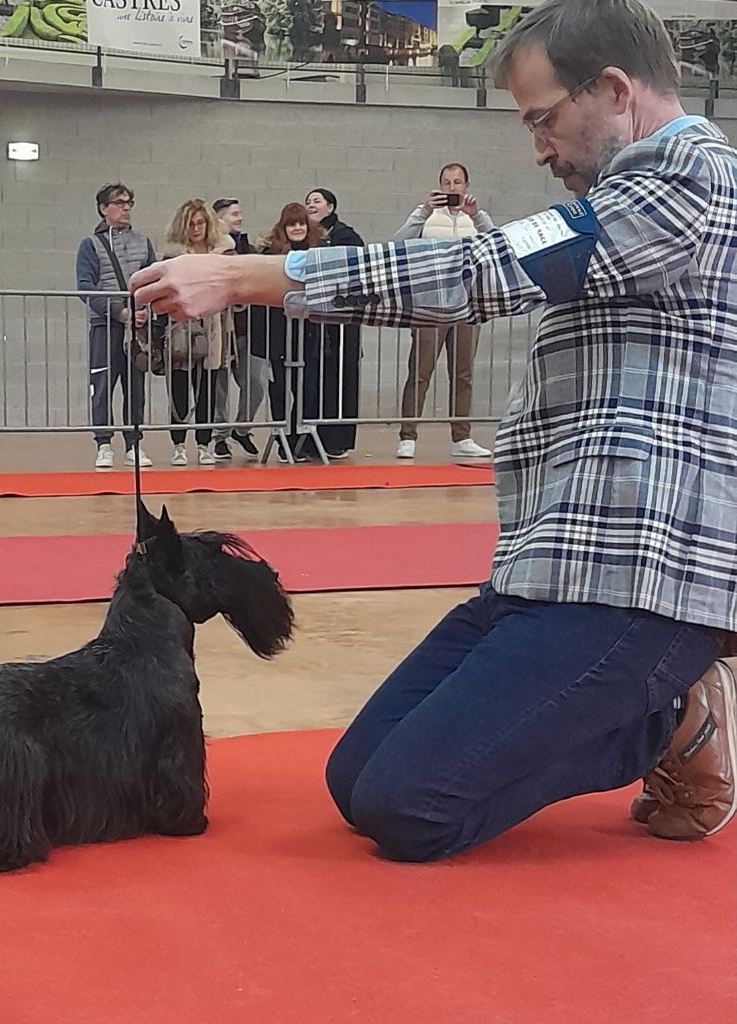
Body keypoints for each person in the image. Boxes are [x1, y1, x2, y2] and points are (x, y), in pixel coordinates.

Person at [131, 0, 737, 860]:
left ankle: (675, 716)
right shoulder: (628, 198)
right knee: (355, 777)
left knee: (410, 807)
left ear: (612, 88)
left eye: (544, 118)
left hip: (638, 588)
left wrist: (250, 274)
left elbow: (475, 267)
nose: (538, 146)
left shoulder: (690, 180)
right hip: (550, 568)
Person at [394, 164, 495, 460]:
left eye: (458, 182)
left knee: (463, 374)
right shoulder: (426, 215)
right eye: (447, 182)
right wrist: (423, 211)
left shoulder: (474, 218)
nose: (452, 188)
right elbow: (399, 242)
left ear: (466, 185)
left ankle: (461, 436)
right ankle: (408, 435)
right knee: (421, 370)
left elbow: (499, 242)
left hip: (467, 305)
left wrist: (477, 215)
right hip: (430, 304)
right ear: (439, 186)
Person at [75, 184, 157, 470]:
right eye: (119, 203)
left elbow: (152, 280)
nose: (126, 208)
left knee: (136, 387)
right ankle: (103, 444)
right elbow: (86, 288)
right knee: (103, 386)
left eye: (129, 203)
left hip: (136, 328)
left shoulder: (144, 242)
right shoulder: (90, 244)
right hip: (105, 327)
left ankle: (134, 443)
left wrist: (145, 310)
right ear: (103, 208)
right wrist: (119, 312)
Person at [162, 199, 233, 467]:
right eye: (191, 223)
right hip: (181, 325)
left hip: (212, 326)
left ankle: (205, 443)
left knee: (207, 389)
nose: (196, 228)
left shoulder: (222, 254)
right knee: (179, 387)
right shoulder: (173, 255)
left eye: (200, 222)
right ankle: (178, 444)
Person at [252, 203, 323, 463]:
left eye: (301, 223)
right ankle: (283, 439)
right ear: (283, 227)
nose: (297, 228)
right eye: (292, 224)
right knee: (280, 387)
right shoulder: (271, 254)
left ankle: (298, 439)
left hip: (309, 332)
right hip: (278, 333)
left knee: (308, 389)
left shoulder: (318, 254)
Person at [305, 188, 364, 458]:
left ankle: (338, 439)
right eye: (307, 202)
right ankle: (310, 436)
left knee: (341, 377)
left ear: (330, 206)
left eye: (316, 201)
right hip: (314, 321)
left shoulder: (346, 235)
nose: (311, 205)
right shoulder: (305, 237)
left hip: (341, 320)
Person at [211, 197, 265, 460]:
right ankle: (219, 436)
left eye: (239, 213)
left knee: (255, 382)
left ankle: (242, 428)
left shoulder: (248, 248)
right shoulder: (212, 250)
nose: (239, 218)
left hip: (246, 329)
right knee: (220, 385)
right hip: (221, 328)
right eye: (234, 214)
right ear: (219, 219)